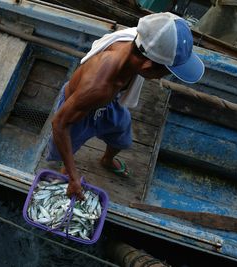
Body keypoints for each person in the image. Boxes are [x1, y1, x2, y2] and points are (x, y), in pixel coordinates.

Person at [46, 12, 205, 200]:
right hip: (80, 111)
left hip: (108, 103)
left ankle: (106, 159)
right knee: (70, 145)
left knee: (122, 133)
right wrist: (74, 178)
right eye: (166, 72)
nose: (164, 77)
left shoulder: (138, 41)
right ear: (147, 67)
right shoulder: (99, 86)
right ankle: (68, 171)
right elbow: (59, 124)